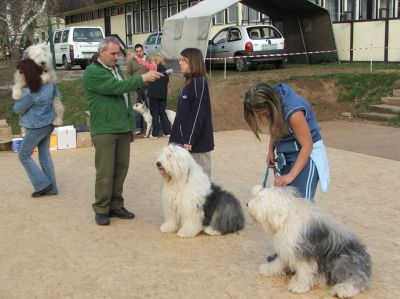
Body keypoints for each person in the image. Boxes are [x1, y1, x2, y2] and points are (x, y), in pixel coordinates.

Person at [82, 36, 162, 226]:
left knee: (120, 170)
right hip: (105, 129)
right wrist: (142, 78)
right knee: (105, 171)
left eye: (118, 53)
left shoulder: (115, 69)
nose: (117, 57)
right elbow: (116, 88)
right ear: (101, 52)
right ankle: (101, 208)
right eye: (113, 53)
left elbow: (126, 98)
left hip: (121, 128)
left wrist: (130, 127)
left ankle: (116, 205)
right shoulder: (93, 72)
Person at [244, 82, 330, 201]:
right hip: (285, 154)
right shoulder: (273, 105)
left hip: (306, 155)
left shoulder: (293, 112)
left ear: (271, 103)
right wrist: (271, 150)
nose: (264, 116)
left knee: (301, 204)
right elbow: (275, 127)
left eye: (265, 113)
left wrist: (291, 176)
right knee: (286, 203)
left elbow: (307, 146)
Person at [13, 58, 59, 197]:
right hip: (49, 123)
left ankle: (42, 184)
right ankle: (52, 188)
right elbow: (57, 99)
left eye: (20, 72)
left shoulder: (29, 92)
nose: (19, 75)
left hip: (35, 127)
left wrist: (18, 94)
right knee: (44, 155)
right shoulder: (50, 85)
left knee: (23, 155)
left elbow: (17, 109)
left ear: (26, 73)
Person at [169, 48, 214, 177]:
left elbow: (198, 113)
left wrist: (189, 140)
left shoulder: (199, 83)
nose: (180, 62)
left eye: (184, 60)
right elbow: (181, 118)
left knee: (201, 182)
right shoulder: (187, 84)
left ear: (193, 63)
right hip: (184, 143)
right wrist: (175, 140)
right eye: (180, 59)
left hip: (196, 144)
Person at [126, 44, 150, 135]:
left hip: (147, 86)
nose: (139, 53)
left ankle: (153, 126)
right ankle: (138, 128)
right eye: (137, 51)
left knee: (149, 105)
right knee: (137, 107)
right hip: (136, 87)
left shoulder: (148, 59)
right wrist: (132, 82)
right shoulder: (132, 61)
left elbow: (153, 69)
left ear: (143, 50)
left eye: (141, 50)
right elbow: (128, 73)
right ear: (135, 52)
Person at [147, 54, 171, 138]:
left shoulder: (153, 70)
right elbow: (167, 81)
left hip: (154, 94)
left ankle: (155, 133)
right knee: (163, 113)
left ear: (156, 61)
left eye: (152, 61)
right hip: (163, 95)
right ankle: (168, 132)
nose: (151, 62)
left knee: (155, 113)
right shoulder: (165, 70)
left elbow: (149, 80)